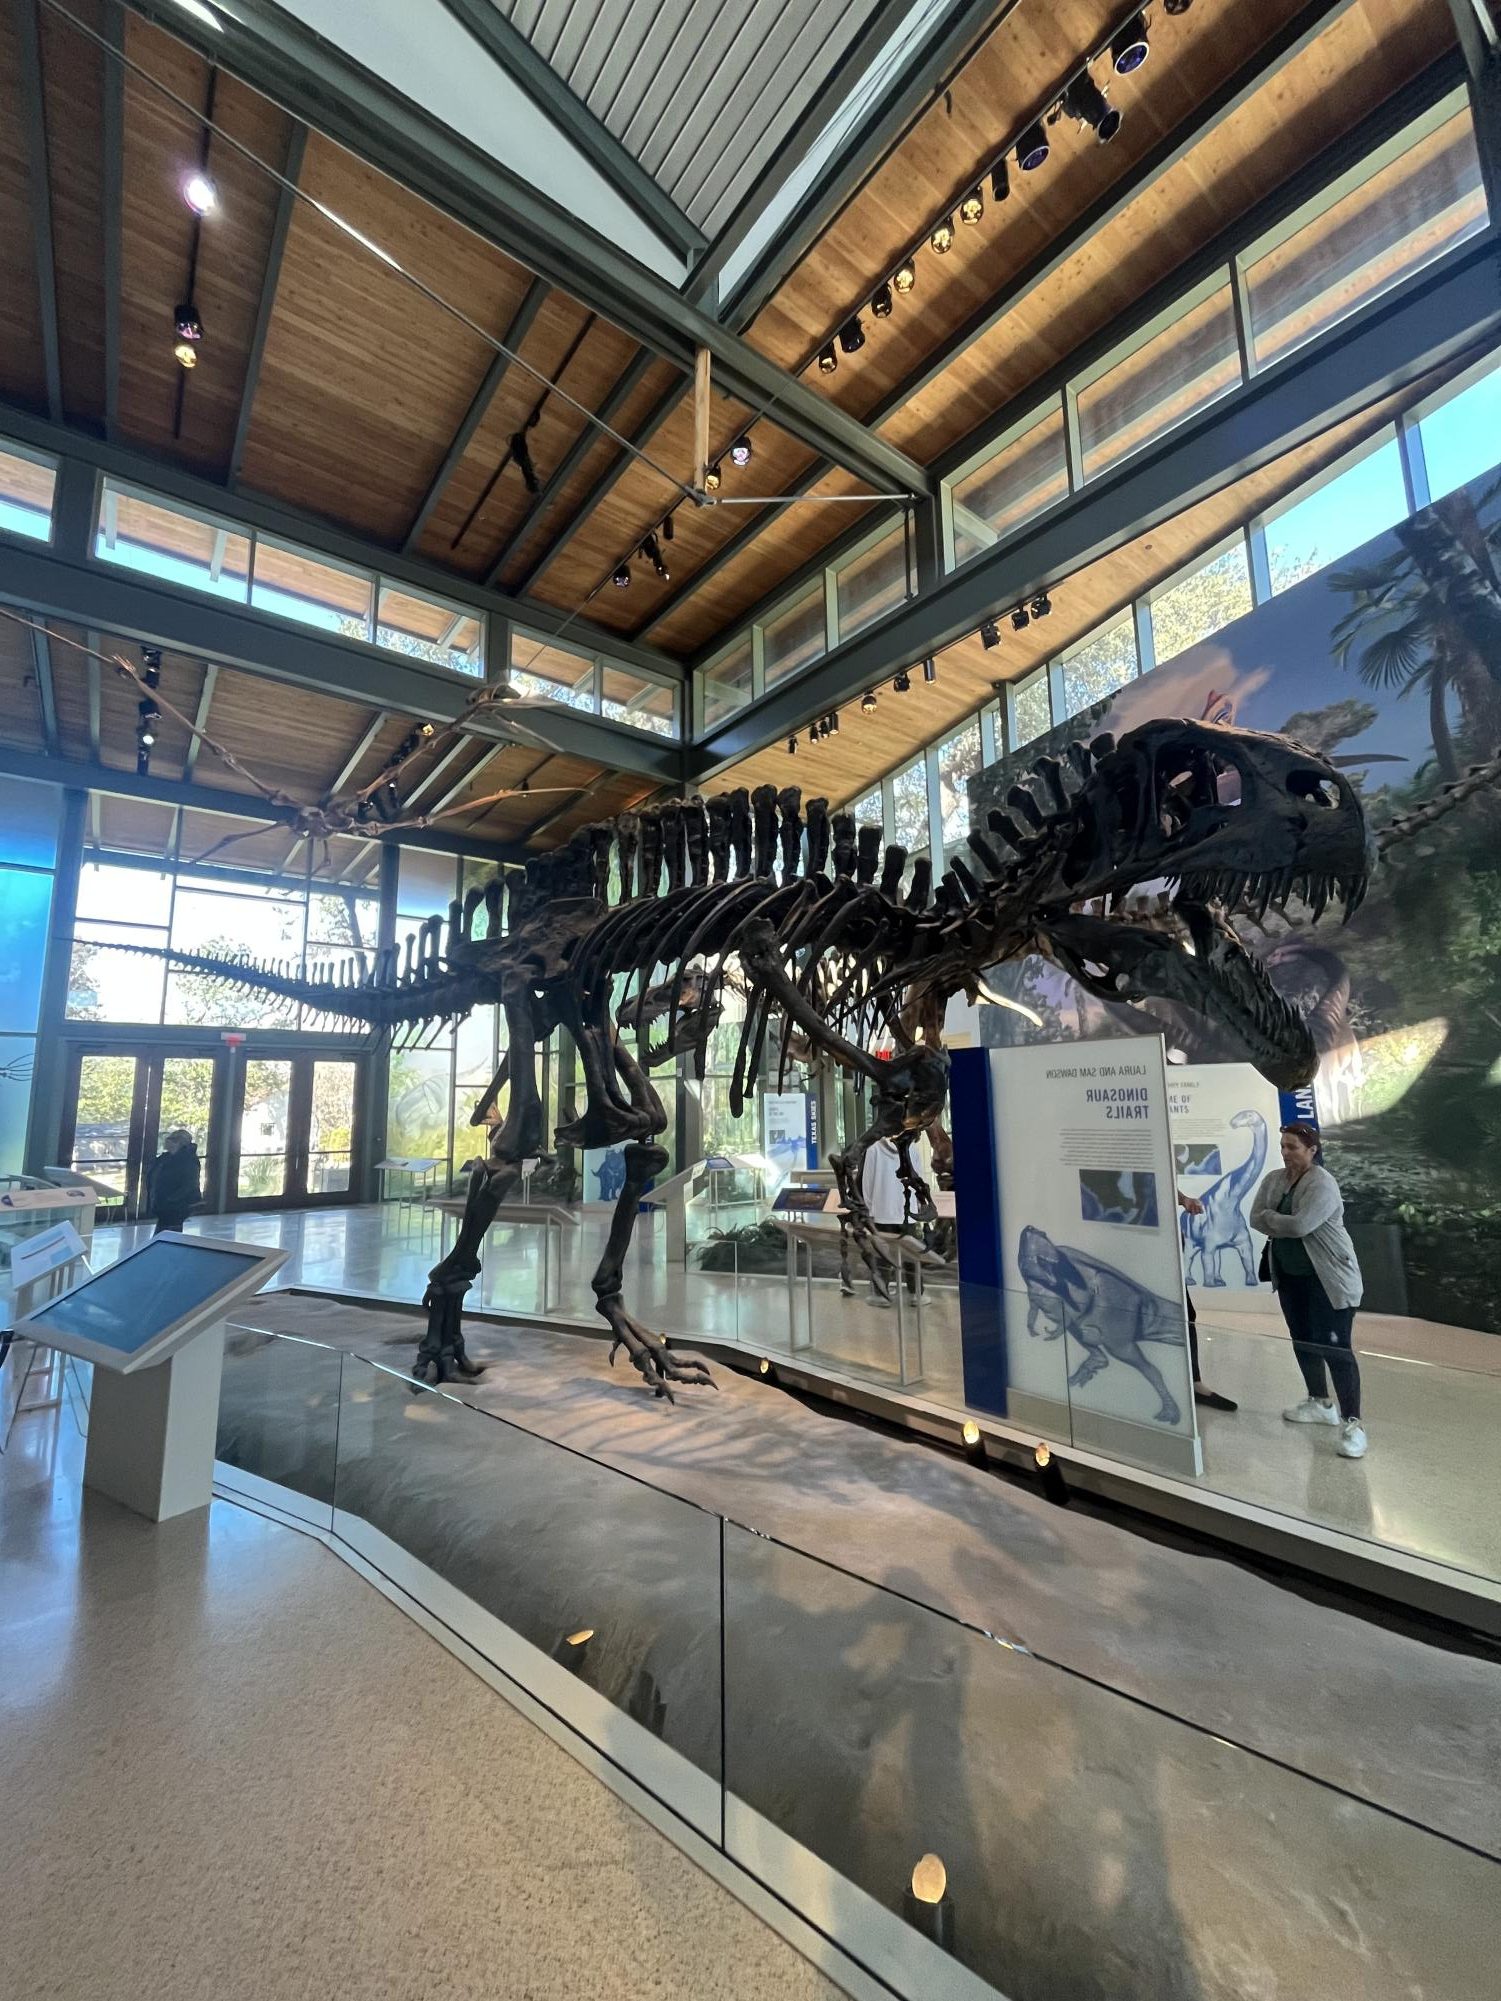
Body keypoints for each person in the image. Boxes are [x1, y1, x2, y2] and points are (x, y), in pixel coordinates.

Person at [1250, 1122, 1366, 1459]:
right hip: (1289, 1277)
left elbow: (1302, 1225)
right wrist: (1275, 1219)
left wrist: (1272, 1218)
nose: (1286, 1153)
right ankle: (1320, 1402)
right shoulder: (1274, 1179)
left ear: (1312, 1150)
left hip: (1328, 1280)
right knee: (1302, 1339)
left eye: (1293, 1148)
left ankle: (1354, 1423)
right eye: (1283, 1146)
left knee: (1335, 1349)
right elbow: (1253, 1218)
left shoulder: (1323, 1184)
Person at [1176, 1191, 1237, 1412]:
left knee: (1185, 1314)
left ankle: (1193, 1382)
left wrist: (1183, 1200)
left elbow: (1159, 1181)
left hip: (1164, 1246)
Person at [146, 1127, 201, 1235]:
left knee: (169, 1234)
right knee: (163, 1233)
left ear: (179, 1143)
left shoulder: (188, 1160)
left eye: (171, 1141)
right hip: (163, 1203)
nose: (167, 1143)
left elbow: (189, 1184)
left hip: (175, 1206)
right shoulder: (165, 1158)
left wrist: (171, 1199)